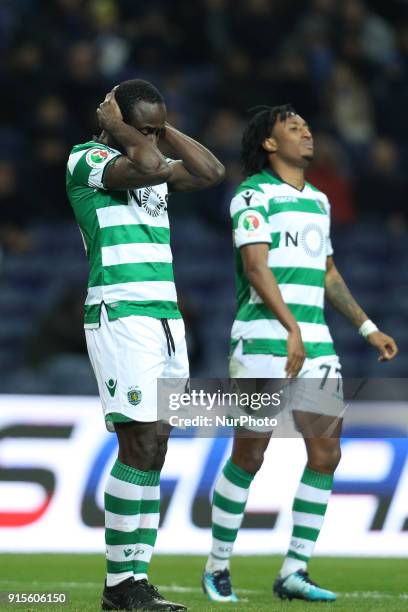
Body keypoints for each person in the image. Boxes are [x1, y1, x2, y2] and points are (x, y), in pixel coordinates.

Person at [202, 104, 398, 603]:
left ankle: (294, 571)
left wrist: (367, 327)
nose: (306, 133)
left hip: (315, 343)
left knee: (326, 453)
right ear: (270, 144)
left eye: (307, 127)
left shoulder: (319, 201)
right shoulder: (252, 195)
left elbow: (328, 272)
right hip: (264, 339)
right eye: (293, 128)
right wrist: (291, 328)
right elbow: (255, 267)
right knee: (250, 453)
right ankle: (217, 565)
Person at [66, 79, 224, 611]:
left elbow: (211, 172)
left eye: (159, 127)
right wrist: (116, 128)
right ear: (113, 119)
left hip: (165, 320)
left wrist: (158, 129)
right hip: (121, 315)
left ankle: (137, 578)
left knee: (156, 448)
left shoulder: (150, 160)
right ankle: (119, 584)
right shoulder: (85, 159)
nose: (155, 137)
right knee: (136, 444)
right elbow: (151, 166)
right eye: (147, 127)